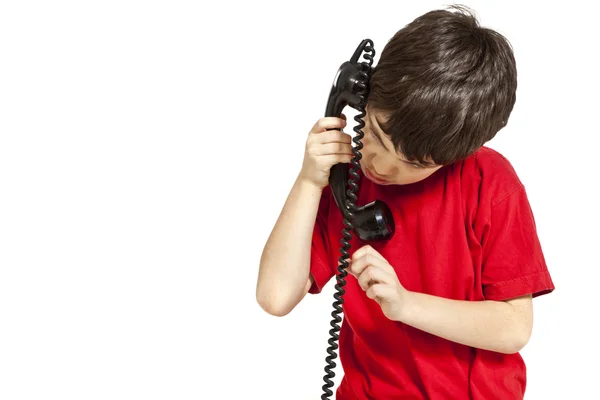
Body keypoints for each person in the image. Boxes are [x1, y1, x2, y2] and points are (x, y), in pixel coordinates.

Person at [256, 5, 555, 399]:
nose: (380, 164)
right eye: (376, 134)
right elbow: (275, 296)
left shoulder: (491, 183)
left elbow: (514, 328)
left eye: (413, 163)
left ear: (459, 155)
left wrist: (405, 305)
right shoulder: (347, 180)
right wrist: (310, 180)